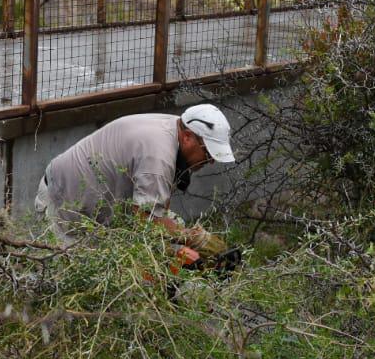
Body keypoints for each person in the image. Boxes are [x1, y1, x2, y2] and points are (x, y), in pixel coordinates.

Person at [34, 104, 235, 258]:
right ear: (189, 137)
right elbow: (146, 222)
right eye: (208, 153)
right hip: (65, 208)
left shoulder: (176, 126)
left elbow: (157, 208)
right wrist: (193, 238)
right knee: (67, 283)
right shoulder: (158, 155)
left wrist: (173, 242)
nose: (210, 162)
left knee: (173, 224)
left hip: (93, 210)